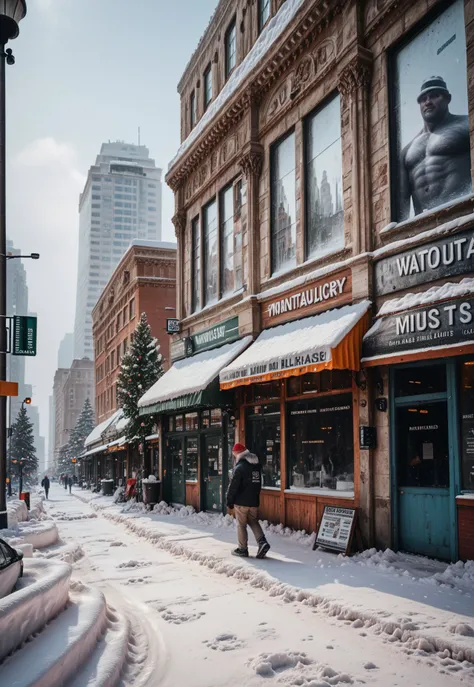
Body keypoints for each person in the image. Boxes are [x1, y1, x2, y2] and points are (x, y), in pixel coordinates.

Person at [399, 76, 471, 220]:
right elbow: (402, 202)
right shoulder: (408, 150)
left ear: (447, 98)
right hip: (424, 225)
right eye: (423, 99)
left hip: (462, 215)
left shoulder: (466, 125)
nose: (428, 102)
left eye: (434, 96)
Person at [226, 442, 270, 559]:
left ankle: (242, 549)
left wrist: (229, 500)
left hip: (241, 502)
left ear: (238, 454)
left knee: (241, 525)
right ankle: (262, 542)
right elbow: (258, 484)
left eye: (234, 454)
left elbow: (233, 486)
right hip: (253, 501)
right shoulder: (256, 467)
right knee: (253, 521)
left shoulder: (240, 467)